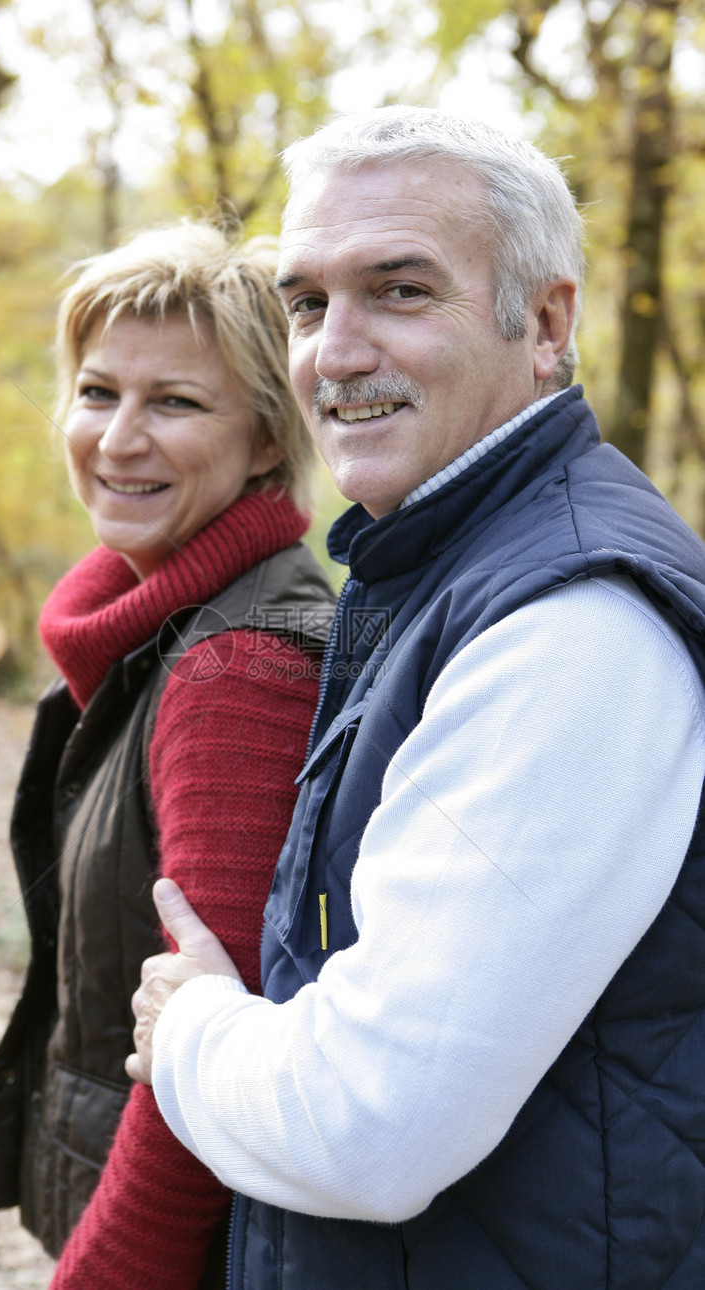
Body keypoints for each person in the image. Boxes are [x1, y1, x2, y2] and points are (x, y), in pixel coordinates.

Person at [127, 108, 705, 1288]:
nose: (332, 353)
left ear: (544, 324)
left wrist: (188, 1030)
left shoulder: (567, 628)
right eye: (304, 303)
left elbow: (367, 1126)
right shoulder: (447, 564)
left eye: (397, 290)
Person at [0, 221, 335, 1287]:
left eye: (174, 403)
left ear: (268, 438)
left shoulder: (240, 667)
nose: (119, 439)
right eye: (97, 393)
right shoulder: (152, 627)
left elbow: (205, 1054)